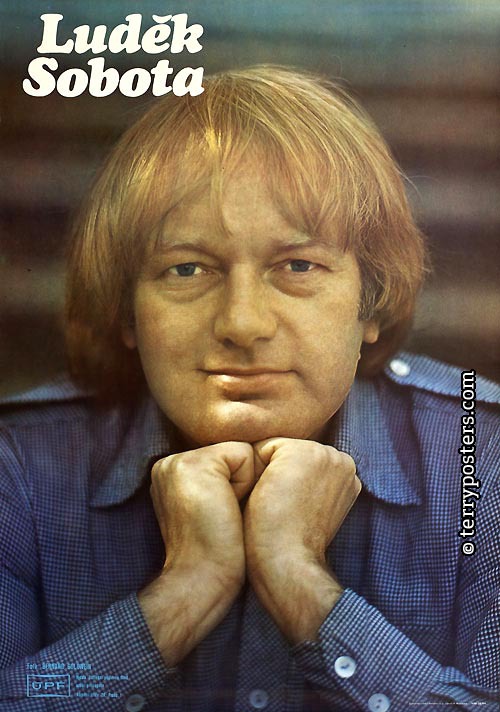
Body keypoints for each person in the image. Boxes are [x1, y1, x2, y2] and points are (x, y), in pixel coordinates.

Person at [0, 66, 498, 712]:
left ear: (370, 301)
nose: (242, 323)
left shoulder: (481, 456)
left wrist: (304, 587)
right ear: (127, 312)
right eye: (187, 269)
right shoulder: (21, 466)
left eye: (298, 265)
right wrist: (182, 595)